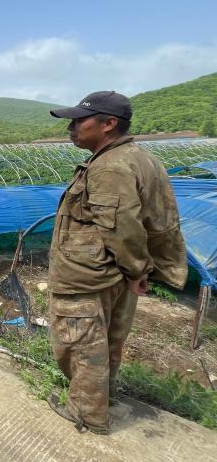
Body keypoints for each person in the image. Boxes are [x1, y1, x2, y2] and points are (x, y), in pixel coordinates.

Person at [45, 91, 187, 434]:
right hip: (114, 271)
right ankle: (101, 400)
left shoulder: (110, 167)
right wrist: (138, 269)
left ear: (109, 123)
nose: (71, 128)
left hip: (88, 275)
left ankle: (87, 414)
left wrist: (136, 268)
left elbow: (121, 228)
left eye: (79, 121)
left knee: (80, 345)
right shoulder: (140, 158)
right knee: (107, 340)